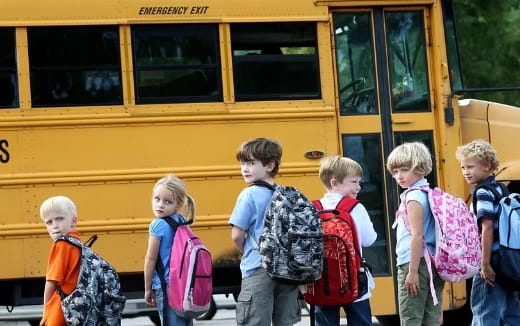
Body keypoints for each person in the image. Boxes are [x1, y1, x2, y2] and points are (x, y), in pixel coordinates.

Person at [229, 137, 301, 326]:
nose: (244, 168)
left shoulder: (249, 194)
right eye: (243, 163)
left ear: (269, 165)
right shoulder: (286, 194)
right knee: (285, 322)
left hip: (258, 267)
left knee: (254, 321)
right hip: (287, 269)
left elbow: (236, 235)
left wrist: (249, 252)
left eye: (251, 163)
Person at [456, 139, 520, 325]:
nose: (466, 172)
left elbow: (487, 227)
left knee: (484, 313)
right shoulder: (501, 188)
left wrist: (484, 265)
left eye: (470, 167)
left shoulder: (483, 192)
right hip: (509, 261)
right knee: (513, 314)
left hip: (491, 261)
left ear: (487, 166)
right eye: (462, 167)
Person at [313, 155, 377, 326]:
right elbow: (369, 240)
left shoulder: (313, 208)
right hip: (354, 282)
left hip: (321, 282)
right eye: (354, 182)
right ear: (335, 183)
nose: (359, 187)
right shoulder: (355, 208)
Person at [386, 142, 444, 326]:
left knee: (411, 319)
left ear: (419, 167)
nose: (398, 176)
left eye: (404, 169)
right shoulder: (429, 193)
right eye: (395, 172)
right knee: (431, 319)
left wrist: (411, 272)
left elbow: (416, 235)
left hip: (415, 264)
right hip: (433, 263)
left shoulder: (413, 197)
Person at [144, 174, 195, 326]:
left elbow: (150, 259)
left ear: (178, 205)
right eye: (157, 199)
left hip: (166, 287)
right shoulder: (181, 221)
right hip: (183, 285)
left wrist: (147, 289)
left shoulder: (158, 225)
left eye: (168, 202)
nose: (160, 205)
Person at [39, 195, 81, 326]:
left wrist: (46, 310)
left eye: (59, 219)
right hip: (76, 307)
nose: (54, 226)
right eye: (49, 222)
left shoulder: (61, 245)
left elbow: (51, 281)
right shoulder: (77, 243)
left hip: (61, 309)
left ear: (73, 221)